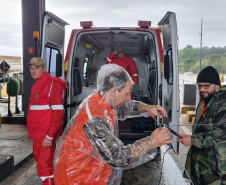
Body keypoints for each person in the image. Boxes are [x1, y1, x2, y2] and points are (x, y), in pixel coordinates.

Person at [53, 64, 173, 185]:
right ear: (114, 91)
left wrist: (147, 108)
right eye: (127, 93)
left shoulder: (101, 99)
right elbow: (118, 157)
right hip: (77, 178)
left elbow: (125, 107)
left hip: (91, 173)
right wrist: (152, 141)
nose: (128, 98)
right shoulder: (94, 119)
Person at [178, 66, 226, 185]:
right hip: (201, 167)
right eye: (199, 86)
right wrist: (190, 138)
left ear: (216, 84)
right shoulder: (206, 99)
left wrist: (193, 140)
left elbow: (221, 133)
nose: (202, 89)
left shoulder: (223, 102)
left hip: (217, 171)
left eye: (206, 85)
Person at [26, 57, 66, 185]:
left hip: (44, 134)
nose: (33, 71)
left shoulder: (51, 85)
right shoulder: (38, 83)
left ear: (44, 69)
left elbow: (58, 113)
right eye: (31, 68)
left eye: (37, 68)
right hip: (38, 133)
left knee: (44, 166)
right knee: (42, 163)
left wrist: (49, 136)